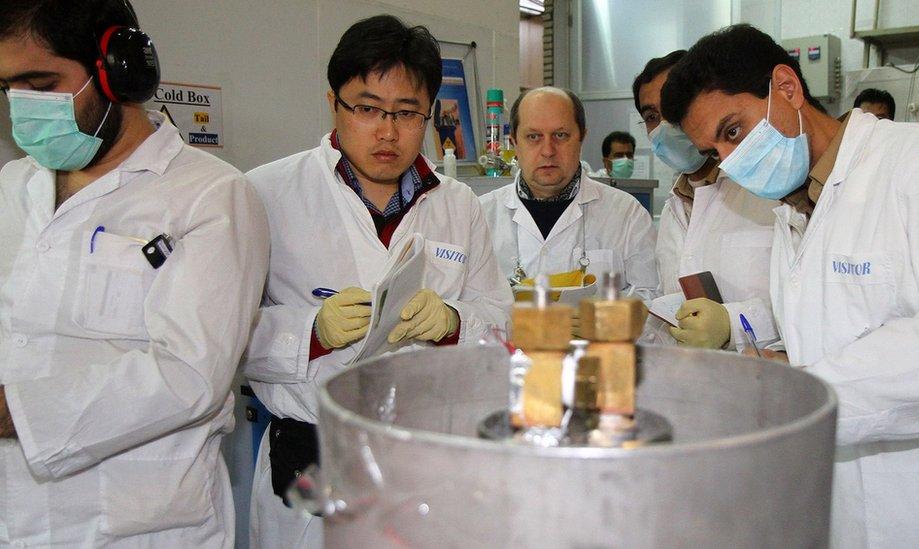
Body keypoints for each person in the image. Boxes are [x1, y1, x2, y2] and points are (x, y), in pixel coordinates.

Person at [662, 24, 919, 548]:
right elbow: (834, 334)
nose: (731, 162)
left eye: (733, 131)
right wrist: (778, 372)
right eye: (715, 151)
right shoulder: (795, 208)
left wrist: (809, 395)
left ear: (786, 87)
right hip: (838, 510)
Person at [0, 1, 270, 546]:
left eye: (41, 82)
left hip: (140, 528)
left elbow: (190, 375)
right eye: (8, 88)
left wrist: (14, 412)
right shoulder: (12, 186)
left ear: (118, 68)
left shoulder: (210, 196)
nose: (23, 106)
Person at [243, 15, 512, 548]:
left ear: (430, 115)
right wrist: (312, 331)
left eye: (407, 113)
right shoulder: (265, 193)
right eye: (366, 108)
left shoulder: (458, 205)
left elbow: (502, 322)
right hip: (313, 463)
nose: (388, 131)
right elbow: (225, 339)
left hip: (429, 460)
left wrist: (456, 322)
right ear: (333, 103)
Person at [633, 51, 780, 350]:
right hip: (695, 382)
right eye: (651, 117)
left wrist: (733, 323)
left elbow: (812, 308)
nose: (663, 125)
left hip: (765, 381)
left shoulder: (770, 191)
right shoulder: (675, 206)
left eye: (674, 108)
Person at [480, 87, 658, 305]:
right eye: (533, 136)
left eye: (561, 135)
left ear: (582, 137)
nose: (548, 150)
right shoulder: (482, 215)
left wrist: (600, 319)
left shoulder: (627, 214)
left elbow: (652, 298)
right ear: (514, 142)